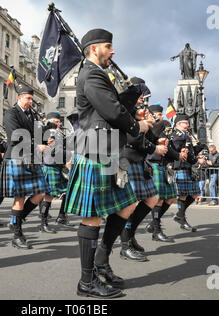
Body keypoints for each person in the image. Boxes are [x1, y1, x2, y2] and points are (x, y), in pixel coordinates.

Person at [64, 29, 146, 298]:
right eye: (108, 46)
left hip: (107, 150)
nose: (113, 51)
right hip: (95, 151)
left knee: (127, 206)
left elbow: (112, 106)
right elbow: (111, 111)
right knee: (92, 217)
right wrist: (138, 125)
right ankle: (86, 282)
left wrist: (132, 95)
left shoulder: (99, 74)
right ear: (94, 48)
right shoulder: (91, 73)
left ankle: (100, 262)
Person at [0, 85, 50, 250]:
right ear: (19, 98)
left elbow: (37, 135)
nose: (30, 102)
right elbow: (15, 136)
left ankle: (17, 218)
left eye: (32, 99)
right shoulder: (11, 113)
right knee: (20, 198)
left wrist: (46, 140)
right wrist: (36, 146)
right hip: (16, 158)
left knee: (40, 193)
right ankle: (17, 236)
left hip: (30, 159)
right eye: (28, 98)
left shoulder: (31, 115)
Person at [119, 102, 165, 261]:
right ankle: (125, 245)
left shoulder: (142, 118)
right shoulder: (125, 114)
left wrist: (154, 125)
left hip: (139, 162)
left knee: (152, 198)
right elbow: (133, 138)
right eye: (141, 104)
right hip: (126, 161)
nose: (144, 108)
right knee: (129, 204)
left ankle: (130, 235)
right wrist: (154, 149)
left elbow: (150, 139)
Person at [145, 105, 181, 243]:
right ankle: (157, 231)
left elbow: (169, 149)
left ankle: (154, 223)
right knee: (158, 199)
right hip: (153, 165)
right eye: (158, 114)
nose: (161, 116)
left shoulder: (164, 130)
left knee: (171, 197)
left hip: (165, 167)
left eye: (161, 114)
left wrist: (178, 155)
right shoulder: (150, 129)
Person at [170, 114, 206, 232]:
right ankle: (181, 218)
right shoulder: (176, 135)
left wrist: (198, 149)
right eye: (185, 123)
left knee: (195, 194)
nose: (188, 125)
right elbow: (177, 149)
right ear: (178, 124)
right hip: (180, 166)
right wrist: (197, 160)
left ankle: (180, 215)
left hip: (188, 167)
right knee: (183, 195)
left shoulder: (186, 135)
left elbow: (189, 151)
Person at [41, 112, 74, 231]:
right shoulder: (50, 133)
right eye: (55, 121)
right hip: (51, 166)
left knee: (68, 190)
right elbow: (56, 151)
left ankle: (61, 216)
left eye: (59, 121)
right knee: (49, 196)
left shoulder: (58, 133)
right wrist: (71, 154)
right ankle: (43, 223)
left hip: (58, 166)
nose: (58, 124)